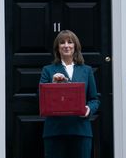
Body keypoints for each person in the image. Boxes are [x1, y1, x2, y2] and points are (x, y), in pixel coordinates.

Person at [39, 30, 100, 158]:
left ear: (75, 46)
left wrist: (88, 109)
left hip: (81, 130)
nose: (66, 45)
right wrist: (53, 84)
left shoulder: (86, 70)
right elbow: (40, 98)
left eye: (70, 42)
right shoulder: (48, 70)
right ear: (57, 47)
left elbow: (94, 99)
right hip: (55, 131)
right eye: (62, 43)